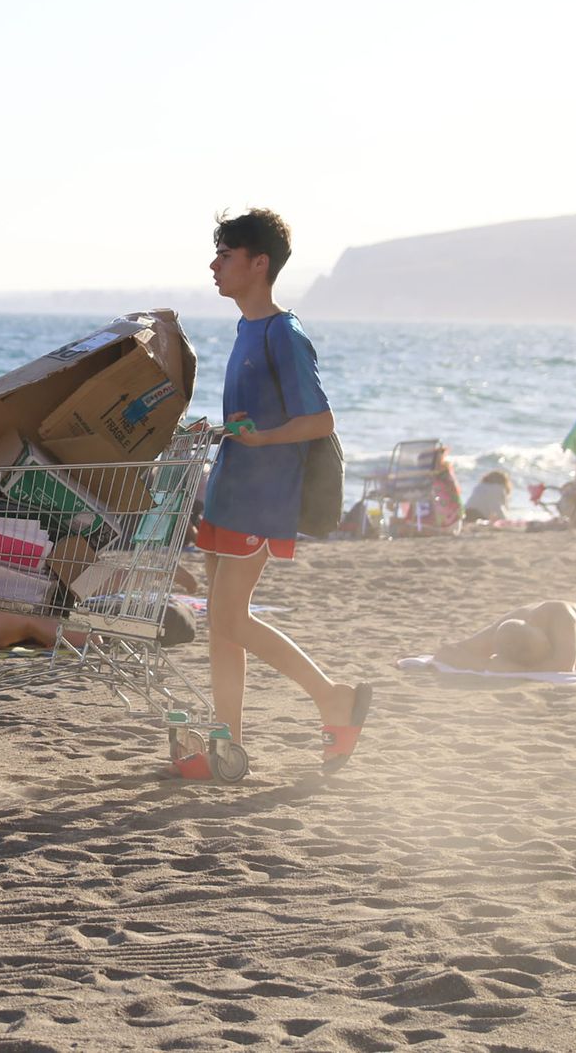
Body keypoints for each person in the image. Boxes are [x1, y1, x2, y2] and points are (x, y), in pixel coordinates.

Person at [196, 210, 372, 777]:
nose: (215, 265)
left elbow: (319, 420)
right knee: (221, 626)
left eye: (226, 254)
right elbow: (253, 418)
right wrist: (222, 431)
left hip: (262, 498)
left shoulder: (282, 332)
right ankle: (228, 742)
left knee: (231, 619)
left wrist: (263, 438)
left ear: (259, 262)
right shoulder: (248, 329)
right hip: (228, 490)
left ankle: (332, 698)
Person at [434, 601, 576, 672]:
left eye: (545, 648)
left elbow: (563, 667)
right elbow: (448, 652)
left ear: (537, 628)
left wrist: (506, 669)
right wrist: (486, 663)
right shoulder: (505, 631)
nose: (544, 656)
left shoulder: (561, 617)